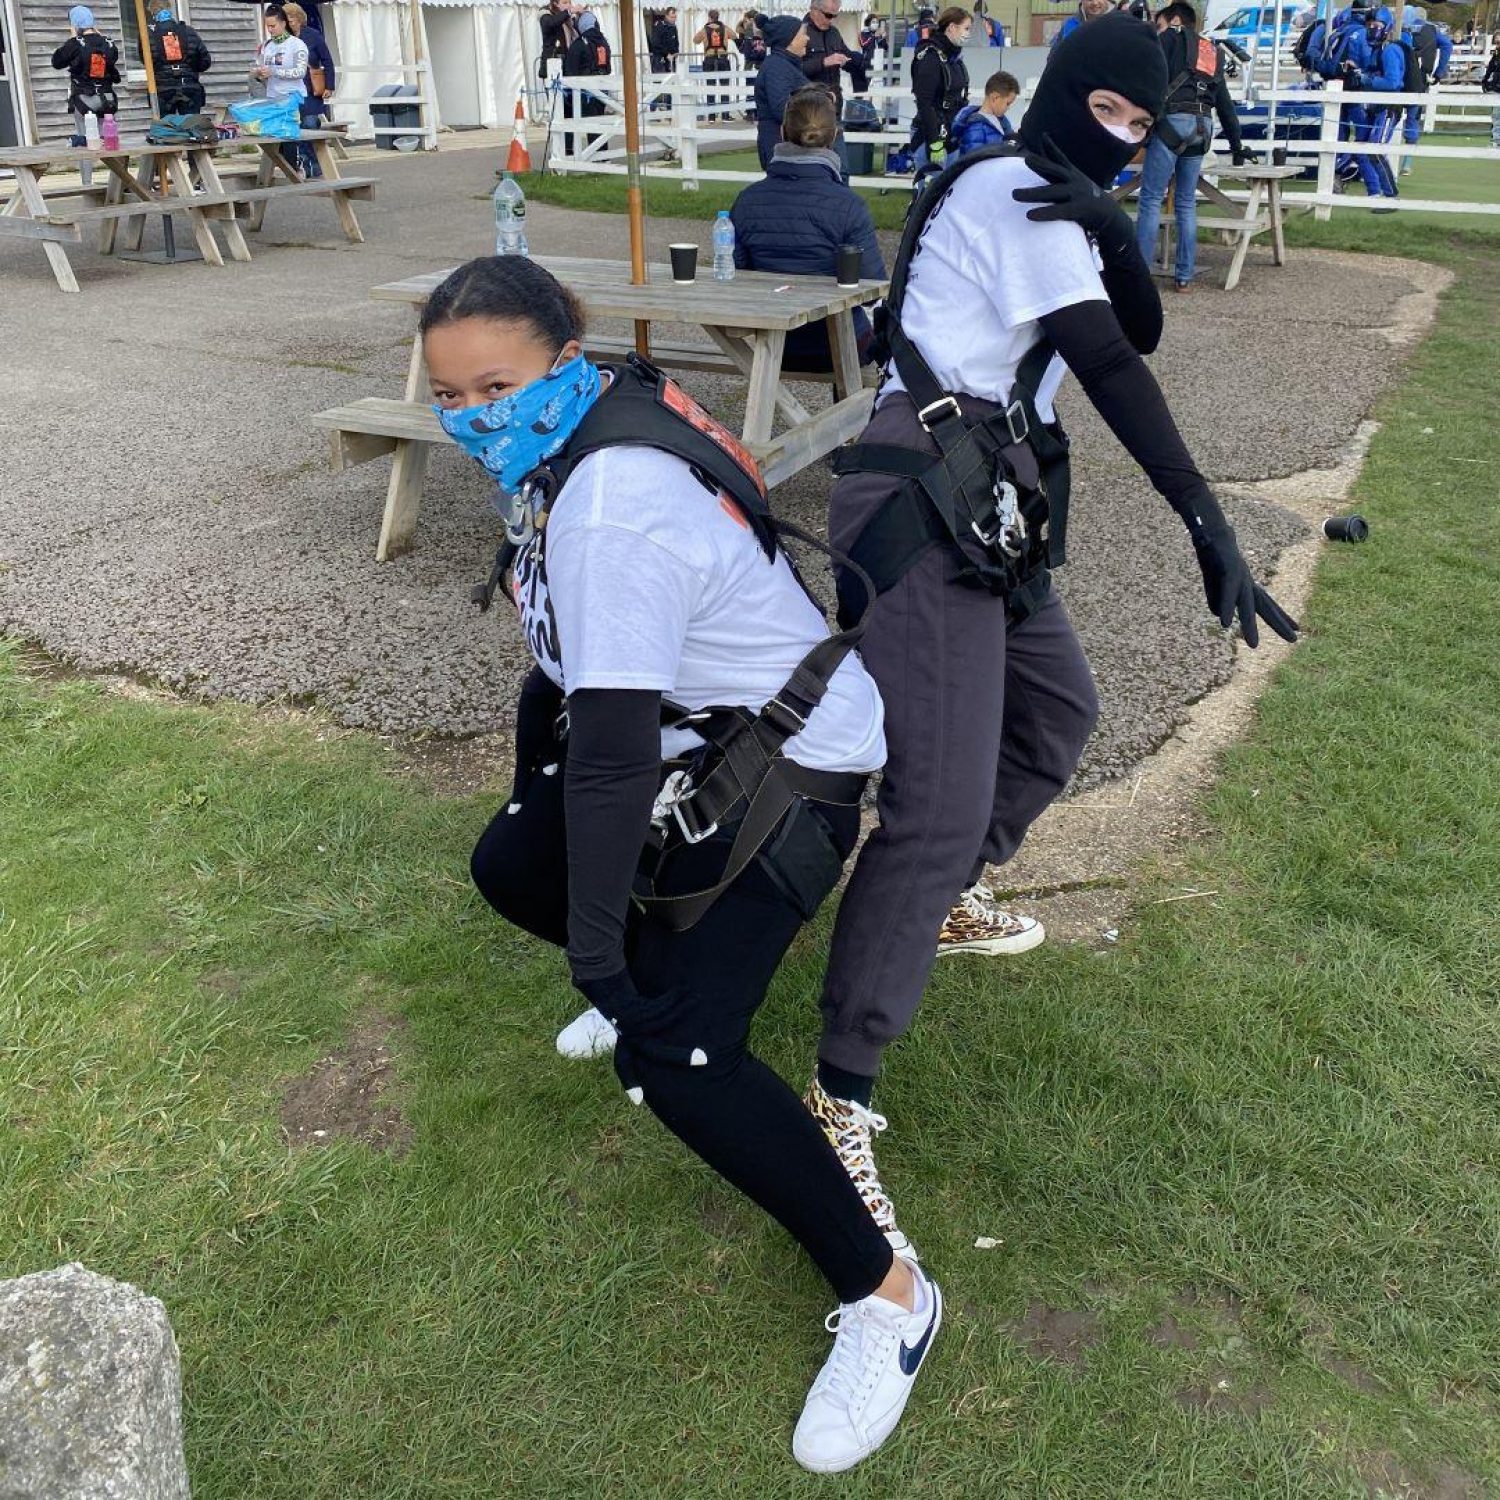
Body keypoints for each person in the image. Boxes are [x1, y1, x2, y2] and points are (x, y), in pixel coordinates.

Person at [430, 254, 941, 1474]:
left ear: (564, 362)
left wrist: (605, 968)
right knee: (512, 864)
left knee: (679, 1054)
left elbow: (610, 761)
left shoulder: (607, 503)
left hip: (793, 768)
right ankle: (655, 976)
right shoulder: (580, 430)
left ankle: (891, 1297)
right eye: (447, 395)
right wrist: (537, 811)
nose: (473, 417)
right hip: (699, 736)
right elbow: (559, 681)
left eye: (495, 387)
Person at [804, 13, 1298, 1251]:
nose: (1120, 139)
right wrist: (1206, 520)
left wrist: (1118, 229)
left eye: (1140, 122)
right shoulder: (1013, 188)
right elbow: (1114, 368)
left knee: (1061, 711)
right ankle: (839, 1093)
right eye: (1106, 113)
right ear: (1061, 94)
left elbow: (1141, 327)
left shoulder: (1060, 198)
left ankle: (943, 896)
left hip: (989, 492)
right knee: (935, 805)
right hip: (925, 493)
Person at [730, 88, 886, 370]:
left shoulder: (746, 201)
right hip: (838, 344)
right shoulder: (849, 205)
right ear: (834, 136)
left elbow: (735, 274)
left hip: (772, 343)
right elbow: (872, 287)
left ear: (782, 132)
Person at [1136, 1, 1246, 292]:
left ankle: (1140, 276)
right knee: (1186, 202)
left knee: (1151, 199)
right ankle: (1184, 277)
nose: (1157, 29)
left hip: (1172, 122)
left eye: (1159, 24)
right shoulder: (1211, 51)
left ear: (1174, 20)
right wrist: (1236, 145)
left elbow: (1144, 82)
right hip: (1203, 126)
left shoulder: (1164, 41)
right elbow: (1224, 103)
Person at [51, 5, 118, 164]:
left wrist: (72, 39)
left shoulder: (75, 44)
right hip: (107, 98)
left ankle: (86, 177)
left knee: (85, 143)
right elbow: (112, 58)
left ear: (75, 24)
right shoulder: (109, 43)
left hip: (83, 99)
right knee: (110, 141)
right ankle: (119, 176)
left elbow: (57, 62)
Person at [910, 5, 972, 168]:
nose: (968, 34)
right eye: (966, 28)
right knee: (933, 183)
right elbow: (924, 102)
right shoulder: (930, 57)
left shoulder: (954, 58)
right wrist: (934, 141)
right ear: (952, 27)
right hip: (931, 135)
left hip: (951, 135)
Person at [1397, 8, 1451, 175]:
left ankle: (1380, 159)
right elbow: (1447, 45)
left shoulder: (1399, 28)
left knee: (1389, 116)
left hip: (1399, 76)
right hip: (1420, 78)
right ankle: (1407, 163)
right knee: (1413, 118)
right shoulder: (1432, 30)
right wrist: (1439, 72)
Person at [754, 14, 811, 168]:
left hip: (786, 145)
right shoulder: (777, 67)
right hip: (781, 147)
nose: (807, 38)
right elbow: (782, 109)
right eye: (803, 34)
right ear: (789, 39)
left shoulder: (785, 65)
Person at [283, 4, 332, 178]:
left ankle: (314, 164)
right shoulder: (283, 39)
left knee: (310, 124)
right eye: (286, 20)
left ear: (299, 19)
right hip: (291, 90)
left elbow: (327, 61)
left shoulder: (313, 36)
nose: (289, 23)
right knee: (294, 127)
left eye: (291, 20)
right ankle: (303, 163)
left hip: (311, 89)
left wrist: (329, 86)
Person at [142, 3, 210, 116]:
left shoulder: (147, 35)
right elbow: (205, 62)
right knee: (191, 124)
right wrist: (189, 68)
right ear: (170, 10)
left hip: (162, 89)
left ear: (152, 13)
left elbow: (146, 61)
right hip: (189, 86)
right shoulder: (189, 31)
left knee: (166, 125)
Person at [561, 9, 610, 155]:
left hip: (584, 90)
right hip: (602, 86)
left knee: (570, 118)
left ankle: (568, 151)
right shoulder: (604, 42)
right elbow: (608, 68)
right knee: (598, 121)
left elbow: (570, 70)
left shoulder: (579, 44)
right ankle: (601, 154)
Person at [801, 0, 858, 114]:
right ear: (814, 10)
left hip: (834, 103)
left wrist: (851, 61)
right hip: (810, 104)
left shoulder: (834, 32)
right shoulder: (800, 32)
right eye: (828, 15)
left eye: (835, 15)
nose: (832, 20)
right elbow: (794, 69)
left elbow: (847, 55)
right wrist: (823, 62)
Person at [950, 67, 1018, 155]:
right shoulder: (975, 129)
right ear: (995, 98)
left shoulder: (1002, 122)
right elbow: (973, 159)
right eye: (1008, 103)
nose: (1008, 108)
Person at [252, 5, 309, 103]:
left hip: (292, 97)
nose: (270, 30)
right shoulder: (267, 45)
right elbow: (262, 69)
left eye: (273, 26)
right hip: (272, 97)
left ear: (283, 24)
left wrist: (274, 72)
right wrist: (258, 73)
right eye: (268, 26)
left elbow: (301, 72)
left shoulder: (297, 44)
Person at [695, 8, 733, 118]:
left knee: (710, 87)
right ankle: (725, 115)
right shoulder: (724, 28)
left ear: (709, 18)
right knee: (724, 87)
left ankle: (711, 116)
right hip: (723, 59)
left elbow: (695, 40)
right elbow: (734, 35)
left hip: (709, 59)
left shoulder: (704, 29)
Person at [539, 0, 572, 79]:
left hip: (565, 61)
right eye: (565, 3)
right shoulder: (545, 15)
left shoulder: (566, 18)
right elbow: (552, 22)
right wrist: (568, 12)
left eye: (569, 2)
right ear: (555, 3)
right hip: (552, 60)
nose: (568, 5)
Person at [649, 5, 680, 71]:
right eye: (672, 17)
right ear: (666, 16)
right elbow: (655, 43)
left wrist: (676, 51)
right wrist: (667, 54)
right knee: (661, 76)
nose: (674, 19)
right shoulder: (660, 26)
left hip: (671, 59)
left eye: (675, 17)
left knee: (672, 76)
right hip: (660, 59)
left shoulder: (673, 27)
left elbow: (676, 41)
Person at [1485, 33, 1500, 149]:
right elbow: (1490, 70)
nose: (1497, 44)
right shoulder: (1496, 56)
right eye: (1496, 42)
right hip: (1496, 88)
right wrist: (1486, 82)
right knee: (1496, 115)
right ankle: (1496, 140)